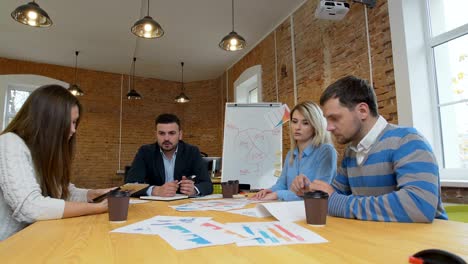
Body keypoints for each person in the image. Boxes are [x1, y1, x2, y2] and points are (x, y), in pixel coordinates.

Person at [291, 76, 448, 222]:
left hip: (425, 248)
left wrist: (336, 202)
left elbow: (418, 206)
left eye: (335, 118)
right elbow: (334, 196)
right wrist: (312, 192)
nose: (329, 127)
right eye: (327, 120)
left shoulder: (407, 141)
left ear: (362, 111)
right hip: (380, 241)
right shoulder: (351, 152)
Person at [0, 85, 113, 241]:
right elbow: (29, 207)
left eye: (76, 123)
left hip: (35, 239)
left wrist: (92, 194)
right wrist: (96, 208)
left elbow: (64, 193)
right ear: (50, 121)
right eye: (71, 122)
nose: (74, 130)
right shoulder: (10, 143)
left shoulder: (44, 153)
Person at [251, 101, 337, 201]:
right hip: (289, 210)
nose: (297, 127)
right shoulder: (290, 155)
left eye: (305, 123)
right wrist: (269, 191)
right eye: (294, 121)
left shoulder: (326, 151)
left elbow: (318, 194)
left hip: (314, 211)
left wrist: (278, 195)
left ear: (315, 126)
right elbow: (281, 185)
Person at [126, 113, 213, 197]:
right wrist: (155, 190)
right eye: (161, 133)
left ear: (180, 135)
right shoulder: (145, 152)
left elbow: (207, 184)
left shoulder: (191, 152)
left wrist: (194, 189)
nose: (166, 138)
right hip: (153, 206)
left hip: (183, 205)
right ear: (155, 134)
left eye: (171, 133)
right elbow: (130, 185)